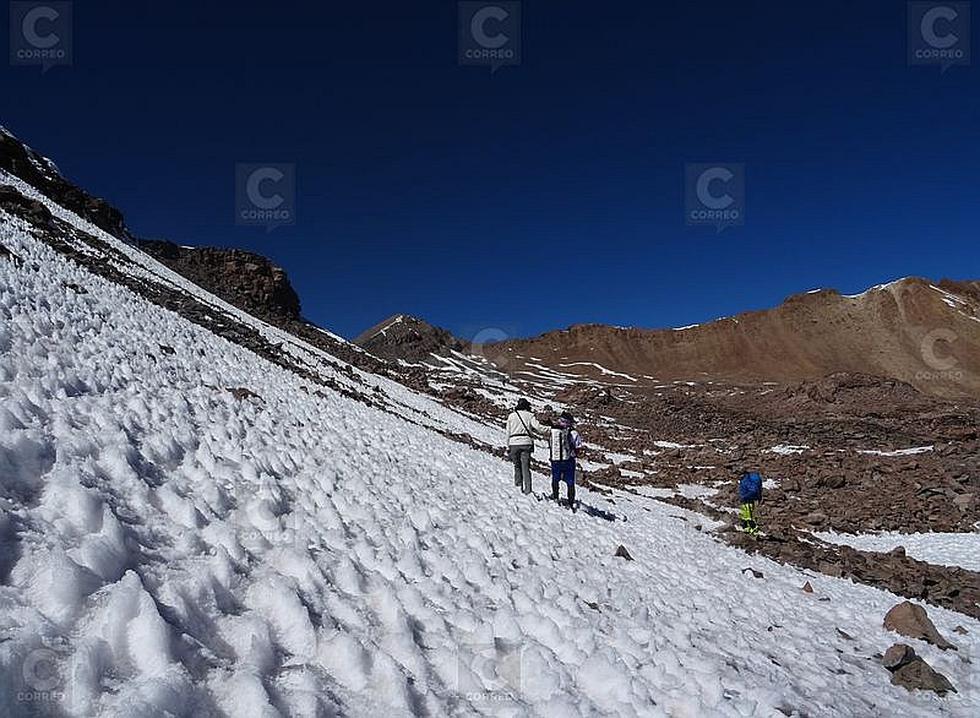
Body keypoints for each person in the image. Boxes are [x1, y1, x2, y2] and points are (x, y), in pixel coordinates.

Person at [506, 399, 550, 494]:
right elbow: (538, 428)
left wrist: (507, 446)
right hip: (526, 443)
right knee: (526, 467)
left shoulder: (511, 416)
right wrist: (550, 429)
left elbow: (508, 432)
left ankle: (518, 486)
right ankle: (528, 490)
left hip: (513, 443)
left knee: (517, 466)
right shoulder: (530, 415)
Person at [550, 411, 583, 511]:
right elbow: (578, 446)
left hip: (556, 459)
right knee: (570, 482)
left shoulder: (554, 430)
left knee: (555, 479)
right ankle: (570, 502)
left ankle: (556, 497)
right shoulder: (573, 432)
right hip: (568, 460)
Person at [737, 471, 764, 536]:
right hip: (746, 500)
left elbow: (753, 490)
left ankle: (754, 531)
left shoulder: (746, 481)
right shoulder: (745, 479)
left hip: (747, 500)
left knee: (748, 517)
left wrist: (744, 497)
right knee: (745, 516)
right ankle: (747, 530)